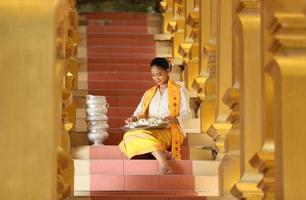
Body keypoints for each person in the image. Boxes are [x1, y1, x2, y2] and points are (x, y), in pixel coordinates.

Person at [119, 57, 191, 175]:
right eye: (153, 75)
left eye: (159, 75)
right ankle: (162, 153)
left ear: (168, 71)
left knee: (136, 137)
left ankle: (164, 165)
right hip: (150, 130)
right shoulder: (149, 93)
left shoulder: (179, 90)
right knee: (128, 136)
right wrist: (134, 118)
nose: (156, 78)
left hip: (169, 130)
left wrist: (176, 120)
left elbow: (187, 113)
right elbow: (138, 112)